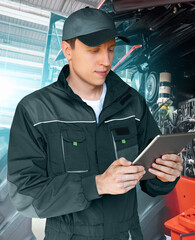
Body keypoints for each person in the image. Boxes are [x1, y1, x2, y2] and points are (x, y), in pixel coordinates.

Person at [7, 7, 182, 240]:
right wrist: (96, 185)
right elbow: (25, 194)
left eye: (111, 49)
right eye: (94, 50)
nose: (106, 60)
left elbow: (151, 180)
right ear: (67, 50)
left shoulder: (133, 103)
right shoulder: (35, 110)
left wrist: (165, 175)